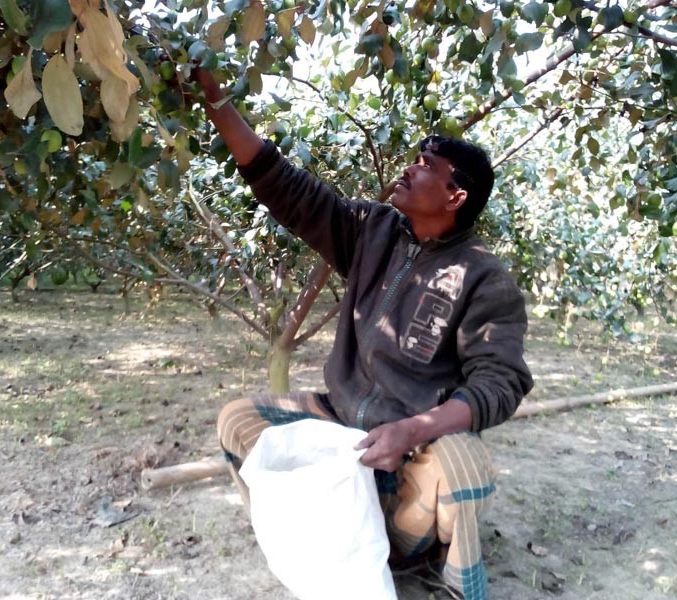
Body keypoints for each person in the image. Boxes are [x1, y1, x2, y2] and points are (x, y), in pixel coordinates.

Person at [191, 68, 533, 600]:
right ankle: (310, 540)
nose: (408, 169)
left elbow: (500, 383)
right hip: (339, 422)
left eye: (425, 167)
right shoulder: (371, 231)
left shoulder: (484, 278)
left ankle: (444, 575)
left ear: (455, 196)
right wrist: (218, 106)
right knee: (239, 421)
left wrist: (413, 430)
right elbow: (287, 188)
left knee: (464, 465)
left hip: (405, 453)